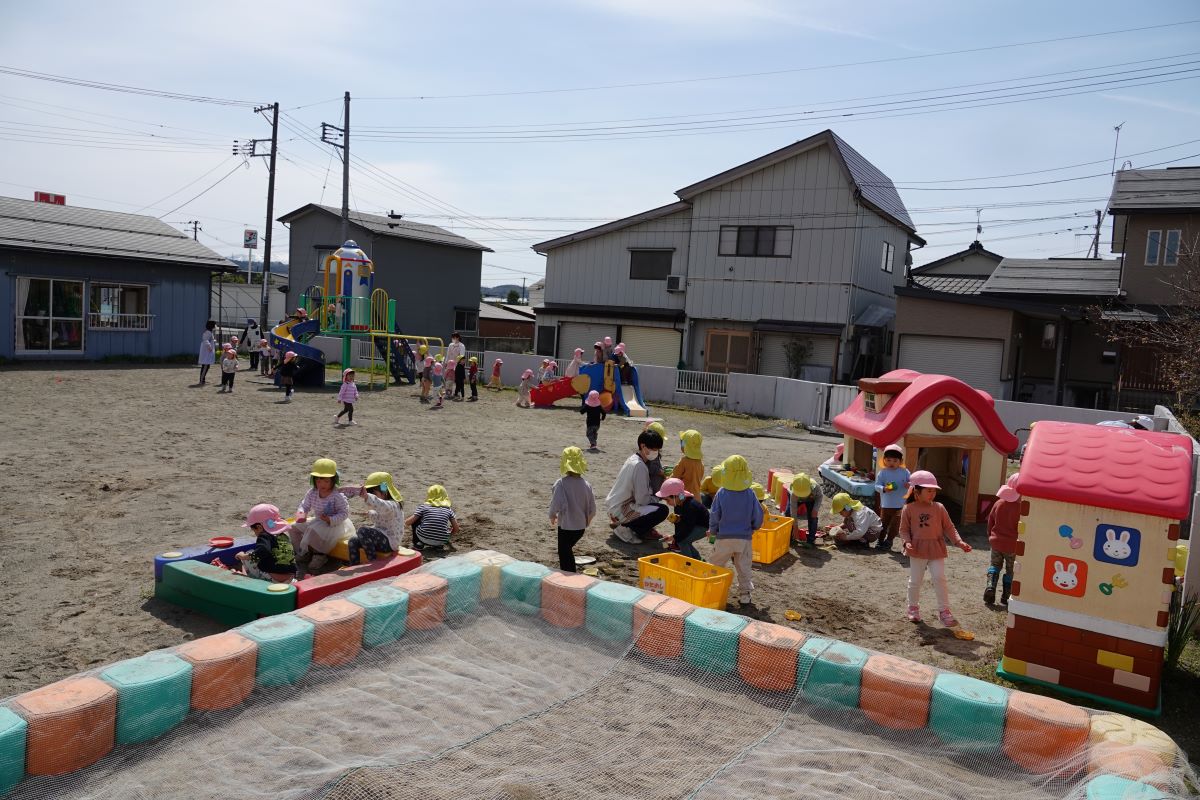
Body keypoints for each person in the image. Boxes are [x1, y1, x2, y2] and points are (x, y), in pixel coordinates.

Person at [899, 470, 972, 629]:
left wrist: (959, 542)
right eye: (928, 490)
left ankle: (944, 611)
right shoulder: (909, 509)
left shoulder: (939, 507)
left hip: (936, 548)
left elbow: (949, 527)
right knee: (915, 581)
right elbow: (903, 529)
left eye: (934, 490)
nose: (932, 494)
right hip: (917, 549)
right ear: (916, 491)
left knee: (939, 578)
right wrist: (907, 542)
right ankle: (913, 607)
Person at [707, 455, 763, 607]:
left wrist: (713, 530)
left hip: (724, 537)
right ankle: (745, 594)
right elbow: (758, 515)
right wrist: (754, 526)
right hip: (744, 538)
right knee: (744, 566)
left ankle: (713, 587)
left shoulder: (722, 493)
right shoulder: (750, 493)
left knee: (716, 563)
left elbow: (714, 514)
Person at [605, 429, 670, 544]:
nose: (656, 452)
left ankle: (629, 525)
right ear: (643, 446)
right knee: (662, 510)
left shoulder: (633, 459)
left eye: (657, 449)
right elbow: (642, 500)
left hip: (614, 506)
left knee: (654, 504)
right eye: (653, 449)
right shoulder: (640, 466)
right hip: (621, 509)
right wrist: (660, 497)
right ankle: (625, 527)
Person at [292, 458, 353, 578]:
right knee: (293, 527)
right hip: (319, 521)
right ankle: (302, 552)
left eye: (326, 481)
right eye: (319, 481)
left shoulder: (337, 496)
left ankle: (320, 555)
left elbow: (344, 513)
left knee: (313, 530)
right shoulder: (312, 492)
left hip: (335, 525)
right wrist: (301, 513)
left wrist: (331, 519)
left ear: (333, 480)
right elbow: (304, 505)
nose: (322, 485)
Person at [548, 447, 596, 572]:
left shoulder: (561, 484)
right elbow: (592, 509)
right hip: (580, 528)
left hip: (566, 527)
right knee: (567, 549)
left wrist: (552, 515)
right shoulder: (587, 485)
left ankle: (569, 574)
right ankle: (570, 571)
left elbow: (556, 503)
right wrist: (587, 521)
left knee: (564, 552)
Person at [346, 471, 404, 565]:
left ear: (384, 490)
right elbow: (380, 516)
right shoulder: (384, 506)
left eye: (373, 493)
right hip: (381, 538)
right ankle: (354, 565)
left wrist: (366, 496)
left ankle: (373, 562)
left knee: (363, 530)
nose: (372, 496)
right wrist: (369, 513)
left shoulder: (393, 505)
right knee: (353, 540)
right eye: (369, 493)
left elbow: (382, 505)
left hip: (390, 542)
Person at [235, 504, 297, 582]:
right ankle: (291, 581)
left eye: (254, 531)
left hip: (274, 578)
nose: (255, 533)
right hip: (290, 576)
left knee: (248, 556)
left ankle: (251, 580)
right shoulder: (283, 536)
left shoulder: (264, 536)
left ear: (259, 527)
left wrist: (243, 556)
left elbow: (263, 551)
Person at [985, 473, 1020, 605]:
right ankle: (1006, 596)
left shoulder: (998, 503)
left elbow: (990, 522)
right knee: (1011, 570)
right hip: (1012, 545)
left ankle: (990, 587)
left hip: (996, 542)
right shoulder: (1022, 508)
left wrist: (990, 535)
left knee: (994, 565)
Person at [656, 477, 709, 560]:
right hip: (693, 524)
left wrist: (675, 537)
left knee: (682, 541)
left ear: (675, 496)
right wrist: (675, 537)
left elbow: (688, 527)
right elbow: (679, 524)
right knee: (683, 540)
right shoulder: (678, 503)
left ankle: (689, 563)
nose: (667, 503)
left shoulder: (690, 506)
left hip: (703, 527)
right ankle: (698, 560)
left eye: (667, 500)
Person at [874, 443, 910, 552]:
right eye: (889, 460)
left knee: (896, 525)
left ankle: (889, 541)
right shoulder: (883, 473)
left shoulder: (905, 472)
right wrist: (884, 489)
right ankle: (880, 540)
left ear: (900, 461)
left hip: (900, 504)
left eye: (895, 461)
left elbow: (912, 482)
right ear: (884, 460)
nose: (891, 463)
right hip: (886, 504)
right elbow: (876, 486)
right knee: (883, 524)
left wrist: (909, 485)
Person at [406, 485, 459, 552]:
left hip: (423, 537)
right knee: (444, 525)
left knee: (416, 519)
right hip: (441, 540)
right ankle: (439, 546)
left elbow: (408, 523)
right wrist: (447, 537)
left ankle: (418, 544)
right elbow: (456, 529)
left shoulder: (424, 507)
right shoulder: (448, 510)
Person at [788, 472, 822, 548]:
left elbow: (819, 497)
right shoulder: (793, 493)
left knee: (813, 516)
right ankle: (790, 537)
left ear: (810, 487)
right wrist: (795, 527)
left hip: (810, 499)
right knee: (788, 515)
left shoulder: (815, 487)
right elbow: (793, 511)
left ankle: (811, 540)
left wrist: (815, 509)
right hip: (797, 500)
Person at [672, 430, 705, 498]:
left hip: (684, 496)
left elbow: (675, 476)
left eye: (682, 443)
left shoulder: (684, 461)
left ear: (685, 446)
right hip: (696, 497)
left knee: (679, 507)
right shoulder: (701, 463)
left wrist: (666, 478)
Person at [642, 421, 667, 493]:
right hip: (653, 484)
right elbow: (651, 468)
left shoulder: (652, 450)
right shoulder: (651, 453)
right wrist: (662, 472)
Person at [197, 320, 216, 384]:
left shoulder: (209, 332)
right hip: (206, 351)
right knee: (205, 365)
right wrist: (209, 347)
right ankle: (201, 380)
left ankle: (203, 379)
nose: (215, 326)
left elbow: (209, 340)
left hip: (207, 351)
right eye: (214, 324)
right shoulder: (208, 332)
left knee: (207, 365)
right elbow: (205, 340)